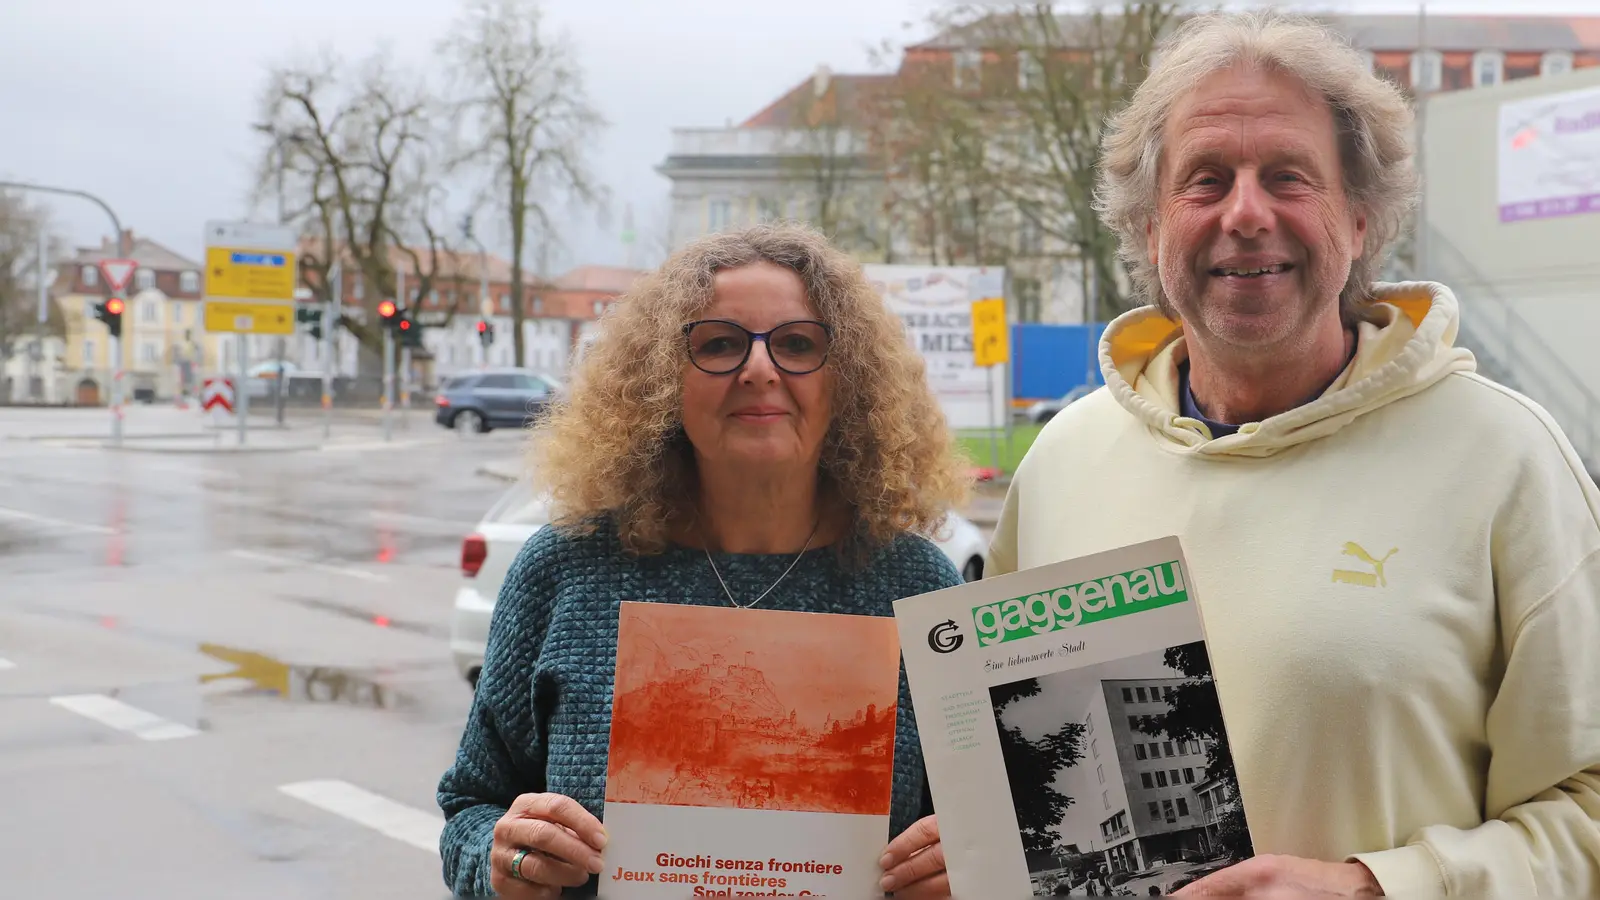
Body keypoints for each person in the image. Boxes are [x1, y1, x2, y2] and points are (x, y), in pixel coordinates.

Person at [989, 9, 1600, 898]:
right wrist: (982, 847)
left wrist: (1375, 887)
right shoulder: (1062, 463)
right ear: (1151, 228)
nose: (1245, 214)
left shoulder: (1507, 460)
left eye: (1287, 176)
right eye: (1205, 180)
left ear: (1358, 221)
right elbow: (1030, 770)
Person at [435, 223, 968, 898]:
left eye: (797, 343)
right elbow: (470, 808)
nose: (759, 368)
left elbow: (975, 835)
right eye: (718, 343)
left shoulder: (916, 586)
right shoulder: (566, 569)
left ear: (849, 382)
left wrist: (967, 867)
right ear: (662, 379)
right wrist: (501, 857)